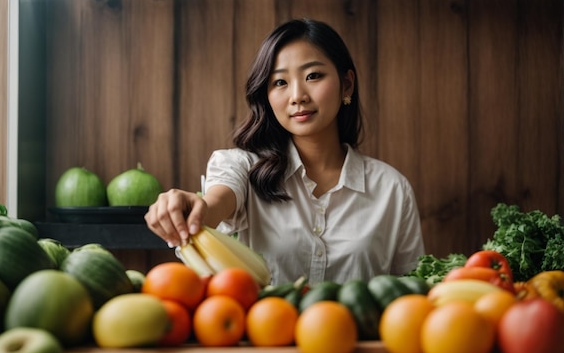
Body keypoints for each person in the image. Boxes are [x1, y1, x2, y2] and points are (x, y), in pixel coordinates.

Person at [145, 18, 425, 285]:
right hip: (264, 334)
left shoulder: (392, 189)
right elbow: (216, 203)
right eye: (280, 82)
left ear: (346, 84)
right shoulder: (242, 167)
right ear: (266, 96)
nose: (297, 96)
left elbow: (411, 291)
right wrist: (192, 209)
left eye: (313, 76)